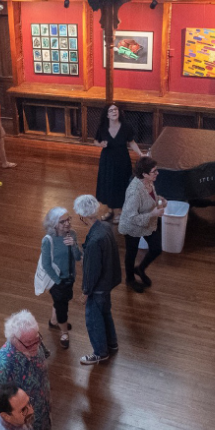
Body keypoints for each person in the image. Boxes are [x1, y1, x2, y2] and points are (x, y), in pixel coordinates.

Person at [0, 311, 52, 430]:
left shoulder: (34, 340)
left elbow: (44, 355)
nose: (36, 346)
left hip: (42, 411)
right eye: (30, 343)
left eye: (37, 338)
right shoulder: (2, 366)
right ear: (14, 340)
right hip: (26, 426)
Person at [74, 194, 121, 365]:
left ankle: (100, 352)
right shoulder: (106, 227)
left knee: (93, 320)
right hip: (108, 282)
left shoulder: (94, 240)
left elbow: (92, 271)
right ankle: (112, 344)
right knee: (106, 314)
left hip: (98, 287)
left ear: (82, 217)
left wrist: (86, 292)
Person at [118, 157, 167, 292]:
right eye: (154, 171)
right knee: (131, 254)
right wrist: (153, 214)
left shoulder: (149, 182)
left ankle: (140, 269)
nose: (157, 173)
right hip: (132, 227)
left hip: (146, 223)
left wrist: (159, 199)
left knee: (156, 249)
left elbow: (150, 196)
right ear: (144, 174)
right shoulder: (134, 192)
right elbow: (131, 217)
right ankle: (130, 279)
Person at [39, 208, 81, 349]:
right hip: (57, 281)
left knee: (61, 301)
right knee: (63, 308)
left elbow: (77, 257)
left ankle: (53, 321)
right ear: (54, 224)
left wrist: (74, 245)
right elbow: (46, 264)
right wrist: (57, 282)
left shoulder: (72, 234)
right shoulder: (48, 240)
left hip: (69, 278)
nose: (67, 223)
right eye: (62, 221)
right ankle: (64, 332)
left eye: (68, 219)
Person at [92, 105, 144, 220]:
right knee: (108, 184)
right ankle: (111, 211)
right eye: (111, 110)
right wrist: (100, 144)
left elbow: (131, 142)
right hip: (107, 161)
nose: (114, 112)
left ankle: (119, 212)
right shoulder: (103, 127)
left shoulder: (126, 127)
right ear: (107, 115)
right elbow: (96, 140)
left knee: (120, 185)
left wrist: (140, 154)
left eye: (115, 109)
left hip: (122, 160)